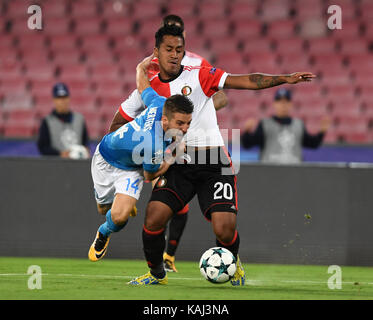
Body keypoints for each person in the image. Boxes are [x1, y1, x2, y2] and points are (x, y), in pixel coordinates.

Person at [122, 25, 315, 286]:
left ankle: (233, 264)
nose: (175, 54)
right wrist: (139, 70)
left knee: (224, 229)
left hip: (213, 162)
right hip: (179, 160)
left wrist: (284, 78)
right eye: (168, 49)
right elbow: (141, 90)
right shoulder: (153, 86)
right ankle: (156, 274)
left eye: (179, 49)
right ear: (156, 52)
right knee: (154, 217)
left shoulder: (200, 76)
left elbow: (245, 80)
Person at [110, 14, 229, 273]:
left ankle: (173, 254)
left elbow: (220, 96)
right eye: (170, 44)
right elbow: (142, 102)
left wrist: (195, 111)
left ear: (184, 38)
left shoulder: (197, 65)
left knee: (217, 222)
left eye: (180, 43)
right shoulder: (151, 70)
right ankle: (160, 267)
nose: (176, 50)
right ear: (159, 43)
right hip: (174, 152)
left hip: (206, 151)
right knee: (163, 210)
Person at [88, 55, 194, 263]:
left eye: (187, 123)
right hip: (105, 157)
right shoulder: (153, 144)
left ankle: (103, 233)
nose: (185, 128)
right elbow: (150, 173)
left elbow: (143, 88)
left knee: (118, 219)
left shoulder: (160, 103)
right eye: (181, 123)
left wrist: (140, 68)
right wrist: (173, 156)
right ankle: (120, 201)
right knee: (103, 209)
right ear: (165, 119)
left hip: (131, 168)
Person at [241, 88, 330, 163]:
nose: (283, 104)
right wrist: (247, 132)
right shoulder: (265, 125)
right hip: (270, 173)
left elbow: (312, 143)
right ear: (274, 104)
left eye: (286, 101)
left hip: (294, 173)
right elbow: (248, 144)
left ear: (290, 104)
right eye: (279, 101)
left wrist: (321, 132)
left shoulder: (298, 125)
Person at [37, 82, 90, 159]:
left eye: (64, 97)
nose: (62, 101)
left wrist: (85, 151)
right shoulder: (47, 121)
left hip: (77, 163)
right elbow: (43, 147)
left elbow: (85, 142)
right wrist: (59, 154)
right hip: (56, 165)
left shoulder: (79, 119)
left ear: (69, 98)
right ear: (54, 100)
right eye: (59, 98)